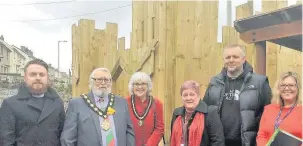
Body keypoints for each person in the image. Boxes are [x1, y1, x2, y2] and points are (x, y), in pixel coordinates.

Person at [203, 44, 272, 146]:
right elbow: (205, 111)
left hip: (247, 142)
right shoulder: (215, 82)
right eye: (228, 57)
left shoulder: (260, 82)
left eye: (235, 57)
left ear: (244, 59)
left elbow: (268, 114)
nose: (231, 60)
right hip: (219, 142)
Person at [61, 68, 135, 146]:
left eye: (106, 80)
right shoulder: (77, 104)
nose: (103, 83)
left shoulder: (121, 103)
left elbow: (129, 132)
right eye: (99, 79)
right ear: (91, 82)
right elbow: (67, 138)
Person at [0, 59, 65, 146]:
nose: (38, 78)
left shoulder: (57, 103)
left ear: (47, 78)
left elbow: (63, 135)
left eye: (42, 74)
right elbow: (6, 141)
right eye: (33, 74)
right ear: (25, 78)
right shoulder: (10, 104)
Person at [170, 80, 225, 146]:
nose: (188, 98)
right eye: (185, 95)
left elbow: (218, 142)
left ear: (198, 96)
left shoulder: (210, 113)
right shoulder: (177, 113)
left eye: (192, 94)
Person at [257, 72, 302, 145]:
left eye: (291, 85)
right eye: (283, 85)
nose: (287, 88)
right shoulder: (269, 109)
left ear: (298, 88)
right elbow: (262, 134)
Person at [126, 72, 164, 146]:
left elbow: (159, 129)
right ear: (132, 86)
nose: (140, 87)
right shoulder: (125, 103)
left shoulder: (157, 104)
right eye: (137, 84)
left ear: (148, 86)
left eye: (143, 84)